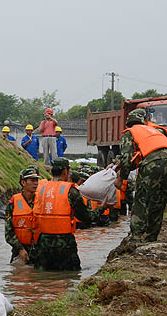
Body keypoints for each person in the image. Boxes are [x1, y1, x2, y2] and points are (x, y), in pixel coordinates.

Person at [33, 158, 111, 271]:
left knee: (43, 278)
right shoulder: (70, 191)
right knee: (69, 278)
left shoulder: (41, 189)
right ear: (65, 171)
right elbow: (87, 217)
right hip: (64, 243)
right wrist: (102, 208)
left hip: (43, 242)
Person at [115, 108, 167, 242]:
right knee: (158, 201)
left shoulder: (130, 133)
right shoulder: (158, 130)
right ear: (144, 120)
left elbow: (127, 159)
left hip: (152, 165)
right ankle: (151, 237)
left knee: (141, 200)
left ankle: (136, 237)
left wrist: (121, 179)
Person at [5, 167, 40, 264]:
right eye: (32, 180)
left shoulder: (42, 200)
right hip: (20, 250)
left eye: (37, 180)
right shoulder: (13, 203)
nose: (36, 183)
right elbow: (8, 233)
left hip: (40, 250)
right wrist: (20, 249)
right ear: (23, 183)